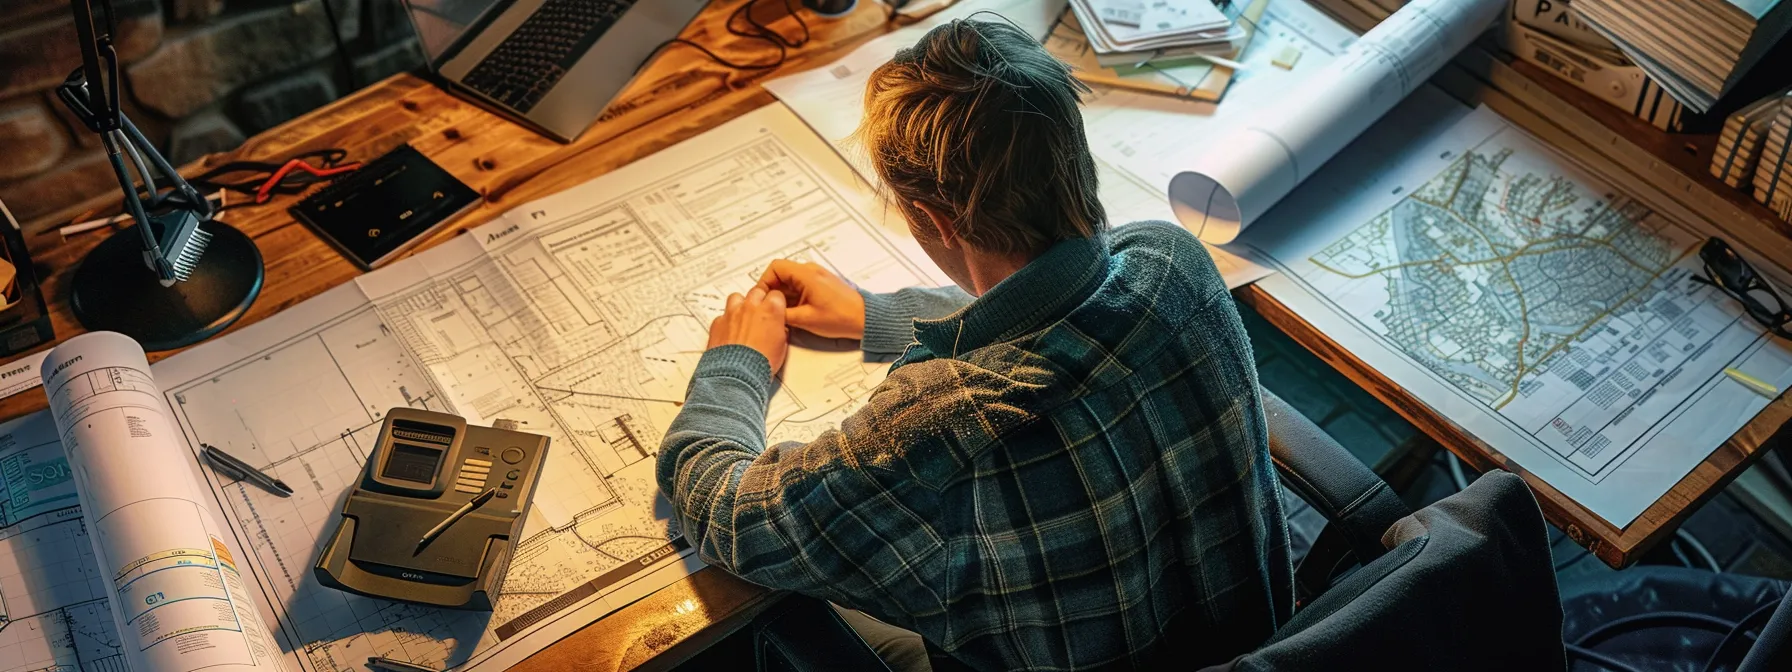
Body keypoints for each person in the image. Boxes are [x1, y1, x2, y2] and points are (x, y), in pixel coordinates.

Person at [657, 18, 1291, 671]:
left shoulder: (937, 420)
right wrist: (878, 316)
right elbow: (1062, 315)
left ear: (935, 219)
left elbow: (733, 517)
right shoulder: (1171, 262)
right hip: (1248, 645)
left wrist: (735, 363)